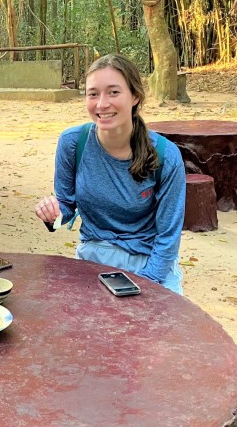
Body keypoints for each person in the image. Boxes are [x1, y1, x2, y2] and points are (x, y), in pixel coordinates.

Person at [35, 54, 186, 294]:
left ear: (135, 96)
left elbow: (168, 237)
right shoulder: (73, 143)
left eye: (113, 92)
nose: (102, 104)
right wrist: (52, 214)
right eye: (93, 94)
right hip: (94, 256)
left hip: (149, 260)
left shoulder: (165, 155)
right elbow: (66, 207)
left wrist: (145, 283)